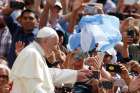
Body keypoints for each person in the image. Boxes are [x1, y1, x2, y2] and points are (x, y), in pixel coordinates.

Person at [10, 27, 92, 93]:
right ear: (45, 41)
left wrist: (75, 74)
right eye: (55, 44)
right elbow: (34, 88)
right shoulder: (32, 54)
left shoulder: (36, 53)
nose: (56, 49)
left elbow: (48, 73)